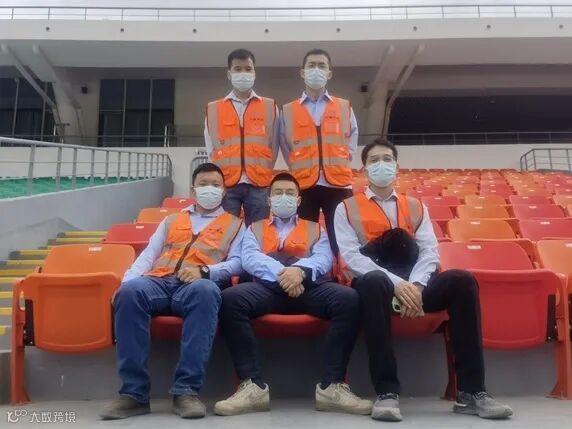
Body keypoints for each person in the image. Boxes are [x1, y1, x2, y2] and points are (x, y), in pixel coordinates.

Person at [334, 138, 513, 422]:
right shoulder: (345, 208)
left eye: (387, 159)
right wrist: (398, 285)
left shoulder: (416, 206)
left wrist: (416, 286)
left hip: (415, 284)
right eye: (374, 160)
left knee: (462, 281)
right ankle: (386, 392)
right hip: (377, 286)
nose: (381, 165)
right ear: (364, 169)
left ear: (396, 166)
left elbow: (429, 250)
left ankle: (471, 392)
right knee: (373, 281)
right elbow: (352, 257)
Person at [214, 172, 371, 416]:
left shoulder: (315, 228)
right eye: (278, 193)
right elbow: (250, 259)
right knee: (230, 299)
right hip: (267, 288)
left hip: (309, 288)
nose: (283, 197)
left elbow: (323, 259)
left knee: (348, 299)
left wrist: (299, 272)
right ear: (269, 200)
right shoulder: (254, 228)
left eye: (289, 193)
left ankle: (332, 386)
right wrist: (285, 274)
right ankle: (252, 386)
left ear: (298, 200)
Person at [100, 163, 245, 420]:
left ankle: (186, 392)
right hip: (158, 281)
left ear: (224, 191)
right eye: (203, 184)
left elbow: (237, 263)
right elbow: (149, 255)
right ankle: (133, 395)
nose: (209, 189)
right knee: (129, 293)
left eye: (215, 185)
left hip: (196, 285)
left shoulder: (235, 225)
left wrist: (205, 272)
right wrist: (126, 282)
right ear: (193, 189)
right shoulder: (171, 220)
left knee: (207, 292)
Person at [279, 48, 358, 255]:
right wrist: (300, 165)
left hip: (338, 184)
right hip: (304, 184)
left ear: (329, 73)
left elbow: (351, 142)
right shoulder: (288, 111)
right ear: (302, 72)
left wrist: (338, 162)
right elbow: (285, 145)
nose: (316, 69)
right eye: (311, 65)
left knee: (342, 240)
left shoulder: (344, 107)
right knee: (304, 242)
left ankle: (340, 272)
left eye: (321, 65)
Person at [204, 48, 279, 225]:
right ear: (229, 74)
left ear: (254, 72)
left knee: (258, 232)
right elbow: (210, 147)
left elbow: (274, 145)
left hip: (259, 183)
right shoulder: (213, 109)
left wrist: (263, 169)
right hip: (227, 184)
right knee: (226, 232)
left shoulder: (270, 107)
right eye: (238, 69)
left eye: (248, 68)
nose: (243, 73)